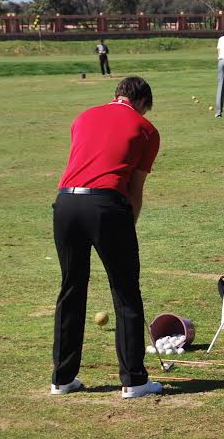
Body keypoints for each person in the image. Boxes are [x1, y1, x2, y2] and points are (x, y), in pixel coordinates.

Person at [50, 76, 163, 399]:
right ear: (142, 102)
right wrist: (129, 227)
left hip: (66, 203)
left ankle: (62, 378)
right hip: (106, 205)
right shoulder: (146, 129)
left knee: (71, 289)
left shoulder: (83, 116)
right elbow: (134, 191)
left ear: (117, 94)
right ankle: (134, 380)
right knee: (125, 289)